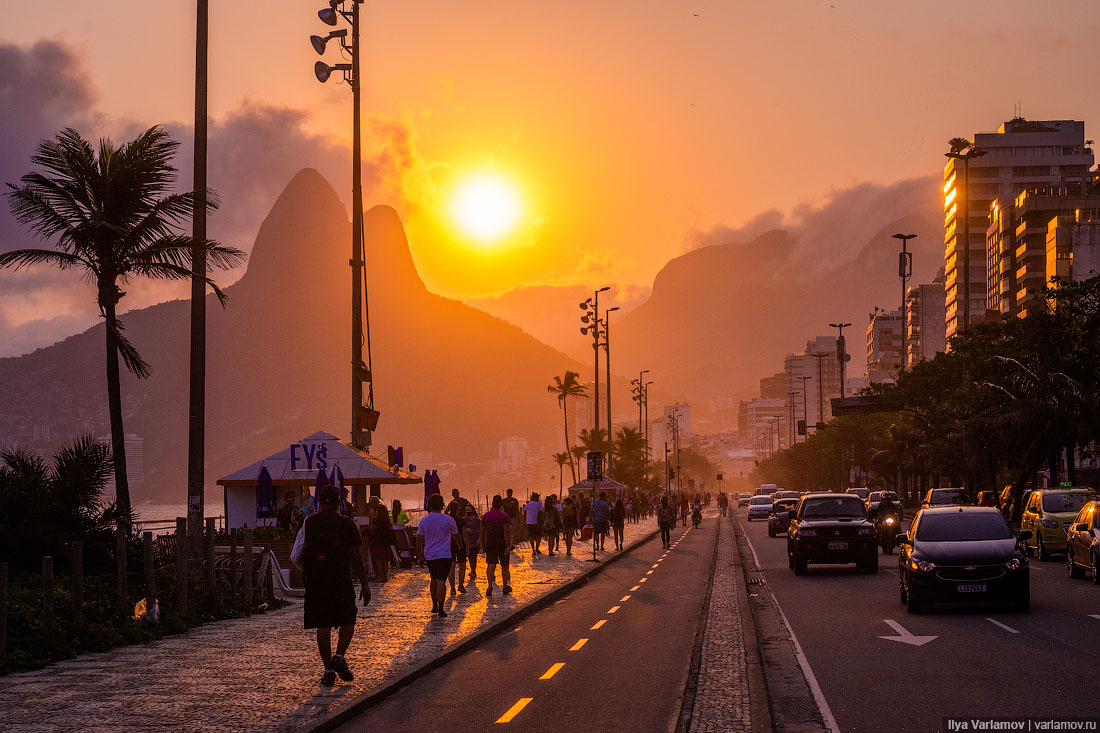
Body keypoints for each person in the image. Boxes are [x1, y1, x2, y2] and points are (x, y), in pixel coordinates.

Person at [294, 485, 370, 686]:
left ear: (319, 502)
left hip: (316, 582)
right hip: (340, 580)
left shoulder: (308, 522)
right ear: (339, 503)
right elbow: (355, 556)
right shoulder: (347, 524)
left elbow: (295, 556)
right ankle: (339, 656)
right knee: (348, 619)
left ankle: (328, 671)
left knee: (323, 625)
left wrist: (309, 572)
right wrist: (364, 584)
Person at [416, 493, 460, 617]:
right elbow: (456, 535)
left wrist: (419, 556)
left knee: (433, 579)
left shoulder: (424, 520)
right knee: (441, 580)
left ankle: (434, 604)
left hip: (430, 555)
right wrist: (460, 545)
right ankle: (441, 608)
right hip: (444, 554)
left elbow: (419, 540)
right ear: (442, 505)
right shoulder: (448, 519)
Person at [480, 495, 513, 596]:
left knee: (491, 565)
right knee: (504, 565)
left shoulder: (486, 516)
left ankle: (490, 586)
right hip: (501, 543)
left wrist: (483, 544)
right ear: (501, 504)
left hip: (490, 543)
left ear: (492, 503)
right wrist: (508, 546)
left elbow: (482, 531)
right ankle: (505, 586)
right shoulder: (504, 516)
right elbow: (506, 531)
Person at [368, 503, 396, 583]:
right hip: (386, 542)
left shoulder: (378, 521)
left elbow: (371, 530)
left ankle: (379, 576)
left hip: (378, 541)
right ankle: (385, 576)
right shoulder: (387, 522)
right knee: (384, 560)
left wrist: (371, 520)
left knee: (378, 559)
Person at [446, 501, 468, 594]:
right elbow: (464, 534)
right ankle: (461, 585)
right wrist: (467, 547)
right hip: (460, 544)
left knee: (451, 565)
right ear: (458, 509)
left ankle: (452, 588)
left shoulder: (447, 519)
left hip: (449, 544)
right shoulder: (461, 520)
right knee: (462, 564)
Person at [462, 504, 482, 586]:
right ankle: (472, 571)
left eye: (469, 510)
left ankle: (473, 571)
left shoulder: (477, 520)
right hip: (466, 542)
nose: (468, 512)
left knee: (473, 557)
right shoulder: (463, 520)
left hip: (475, 542)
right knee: (469, 557)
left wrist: (480, 540)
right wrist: (466, 530)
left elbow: (481, 530)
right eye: (466, 510)